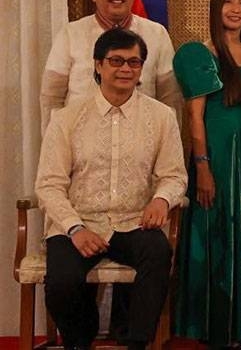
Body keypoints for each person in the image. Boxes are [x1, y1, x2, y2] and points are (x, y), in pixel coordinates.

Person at [35, 28, 188, 350]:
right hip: (77, 223)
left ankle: (136, 342)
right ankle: (80, 340)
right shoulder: (67, 118)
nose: (125, 69)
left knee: (158, 254)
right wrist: (75, 228)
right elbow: (49, 184)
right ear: (98, 65)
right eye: (116, 60)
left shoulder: (162, 117)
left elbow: (174, 175)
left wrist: (161, 200)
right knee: (62, 283)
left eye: (134, 62)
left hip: (133, 220)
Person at [173, 0, 241, 347]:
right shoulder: (197, 54)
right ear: (215, 8)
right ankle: (214, 330)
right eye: (228, 2)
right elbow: (194, 116)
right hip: (215, 156)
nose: (235, 9)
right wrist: (202, 166)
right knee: (216, 230)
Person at [40, 0, 181, 131]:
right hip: (81, 144)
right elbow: (51, 98)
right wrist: (53, 145)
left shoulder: (156, 34)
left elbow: (170, 99)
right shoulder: (70, 34)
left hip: (140, 144)